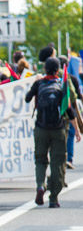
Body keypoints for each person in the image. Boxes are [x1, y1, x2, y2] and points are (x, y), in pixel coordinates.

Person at [25, 56, 81, 208]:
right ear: (58, 70)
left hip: (41, 128)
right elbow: (69, 110)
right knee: (57, 163)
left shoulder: (39, 83)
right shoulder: (62, 85)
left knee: (40, 160)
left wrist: (35, 83)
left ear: (45, 69)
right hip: (58, 129)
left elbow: (27, 99)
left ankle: (40, 185)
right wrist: (76, 130)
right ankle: (54, 198)